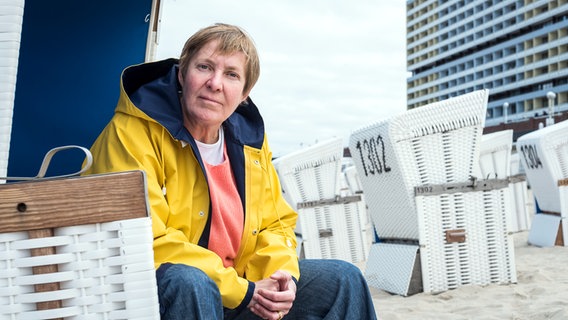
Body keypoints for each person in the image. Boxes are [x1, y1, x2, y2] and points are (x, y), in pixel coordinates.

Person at [85, 23, 377, 320]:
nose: (215, 83)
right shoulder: (132, 132)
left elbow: (275, 225)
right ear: (182, 74)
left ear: (245, 94)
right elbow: (141, 240)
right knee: (191, 282)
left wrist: (280, 277)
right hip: (151, 293)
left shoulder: (250, 142)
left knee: (344, 279)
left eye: (231, 74)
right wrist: (243, 292)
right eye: (204, 67)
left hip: (234, 289)